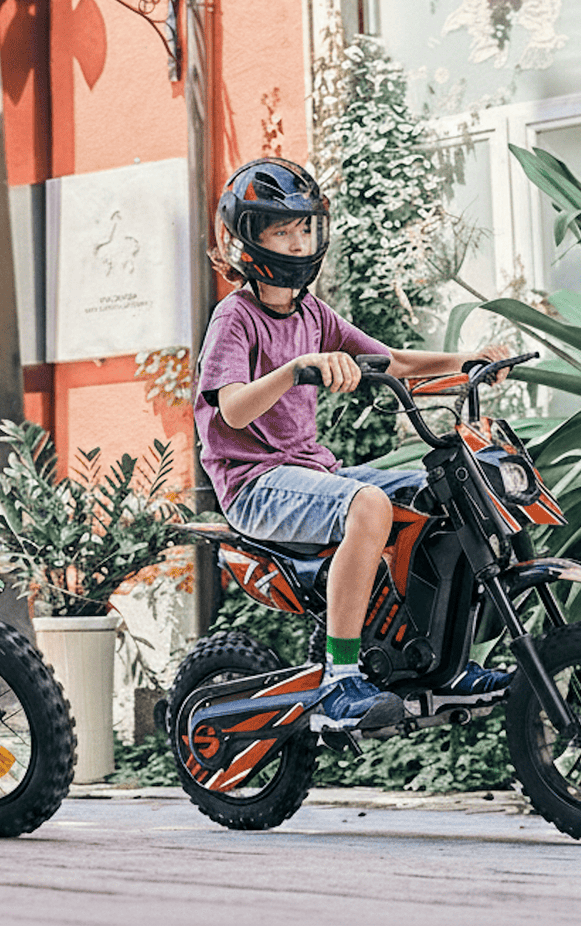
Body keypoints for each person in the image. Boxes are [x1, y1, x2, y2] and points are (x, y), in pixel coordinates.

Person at [194, 157, 513, 732]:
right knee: (367, 505)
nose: (298, 243)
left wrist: (467, 361)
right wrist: (297, 369)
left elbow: (391, 361)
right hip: (252, 485)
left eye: (305, 228)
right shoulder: (234, 318)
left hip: (311, 472)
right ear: (247, 240)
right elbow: (233, 407)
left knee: (438, 495)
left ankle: (444, 663)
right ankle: (340, 678)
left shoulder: (313, 313)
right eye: (282, 232)